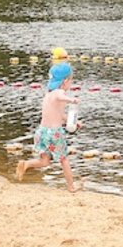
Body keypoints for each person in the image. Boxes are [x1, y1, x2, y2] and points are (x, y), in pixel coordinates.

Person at [16, 61, 82, 192]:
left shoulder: (49, 94)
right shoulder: (58, 93)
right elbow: (60, 95)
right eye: (71, 80)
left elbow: (59, 115)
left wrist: (74, 122)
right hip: (54, 133)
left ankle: (26, 164)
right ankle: (71, 186)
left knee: (44, 161)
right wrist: (72, 100)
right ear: (65, 81)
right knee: (64, 160)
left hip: (42, 132)